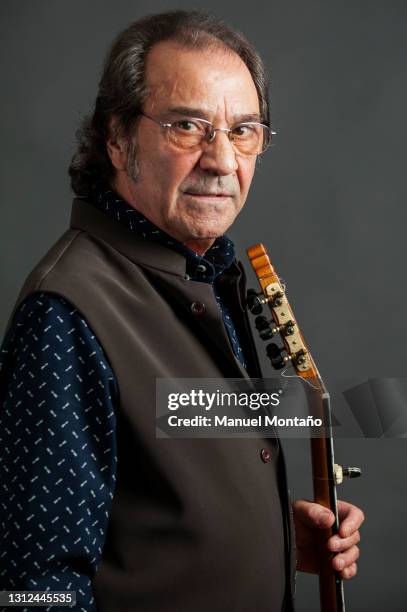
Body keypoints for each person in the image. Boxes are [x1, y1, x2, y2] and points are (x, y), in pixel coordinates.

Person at [0, 10, 364, 612]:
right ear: (116, 139)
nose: (222, 161)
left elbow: (163, 483)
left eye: (244, 130)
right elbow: (37, 590)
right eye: (188, 126)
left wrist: (272, 538)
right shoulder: (65, 314)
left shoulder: (210, 273)